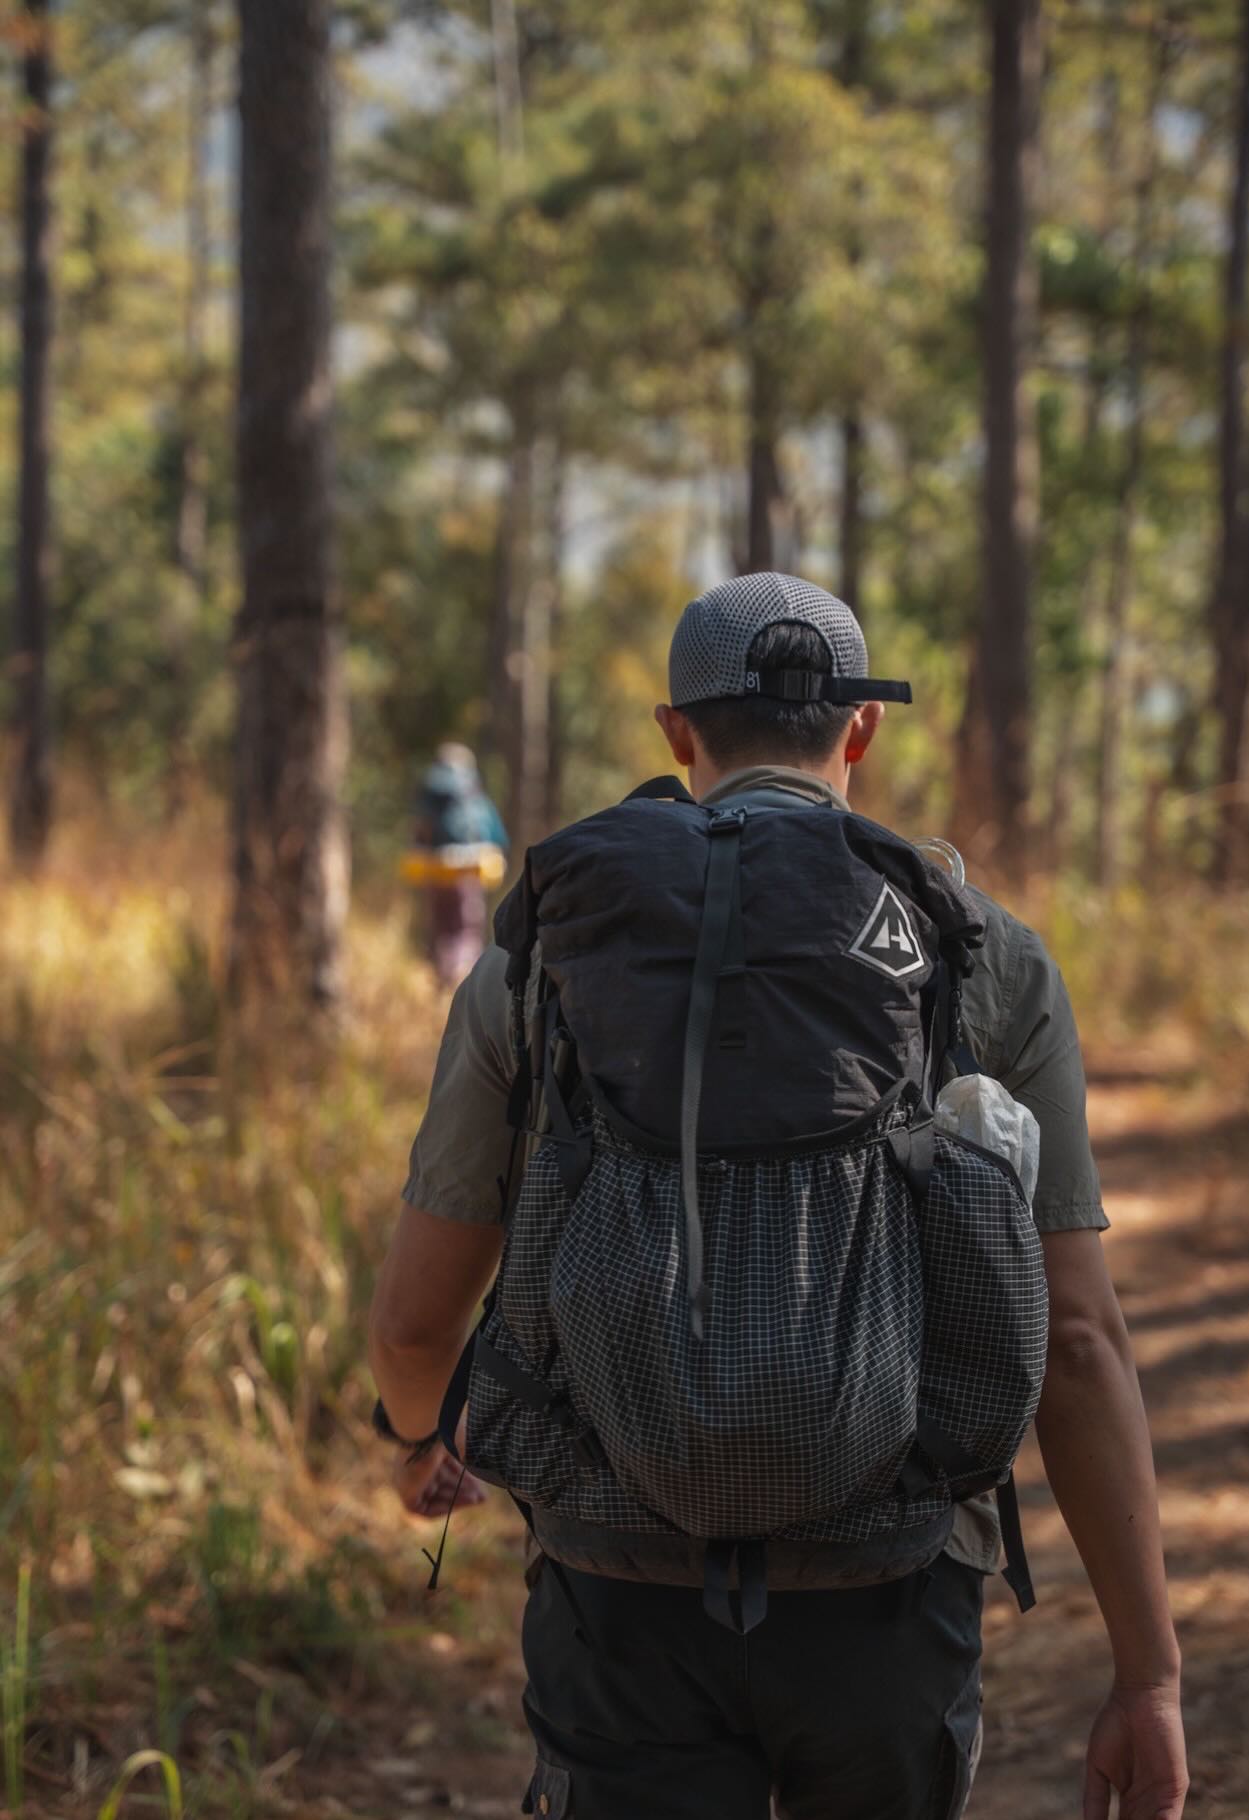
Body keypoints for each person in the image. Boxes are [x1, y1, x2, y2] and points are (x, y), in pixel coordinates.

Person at [369, 574, 1189, 1820]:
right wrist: (1149, 1674)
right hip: (891, 1579)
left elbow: (417, 1320)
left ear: (675, 731)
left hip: (618, 1592)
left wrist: (420, 1438)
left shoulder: (548, 953)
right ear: (862, 727)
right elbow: (1077, 1339)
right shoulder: (981, 952)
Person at [406, 743, 509, 986]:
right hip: (468, 874)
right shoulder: (475, 796)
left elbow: (418, 833)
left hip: (435, 871)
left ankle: (442, 978)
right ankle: (463, 980)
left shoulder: (430, 795)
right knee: (466, 929)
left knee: (440, 928)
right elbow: (498, 838)